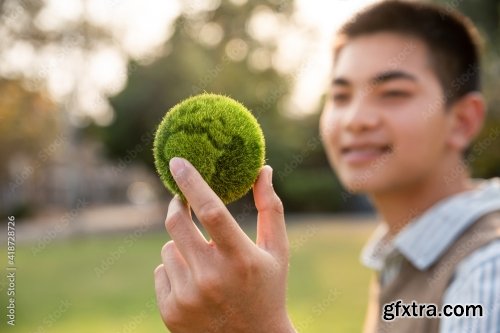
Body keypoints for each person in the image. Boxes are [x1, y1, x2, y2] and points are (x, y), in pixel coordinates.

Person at [153, 1, 500, 332]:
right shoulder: (401, 254)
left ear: (462, 121)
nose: (355, 120)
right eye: (340, 96)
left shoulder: (487, 270)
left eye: (393, 92)